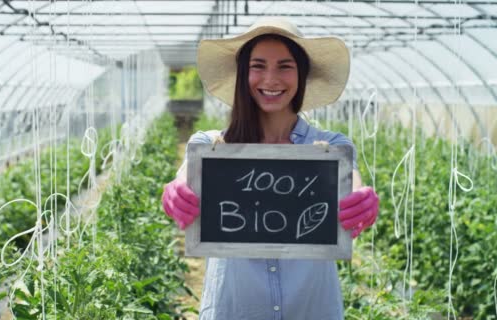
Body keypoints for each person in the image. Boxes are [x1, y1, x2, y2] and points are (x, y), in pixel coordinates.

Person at [162, 17, 379, 319]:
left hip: (309, 308)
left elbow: (351, 178)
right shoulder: (212, 147)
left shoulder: (329, 147)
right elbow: (184, 177)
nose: (271, 79)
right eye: (258, 66)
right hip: (234, 308)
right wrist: (175, 192)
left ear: (301, 75)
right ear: (243, 74)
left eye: (285, 66)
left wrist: (363, 197)